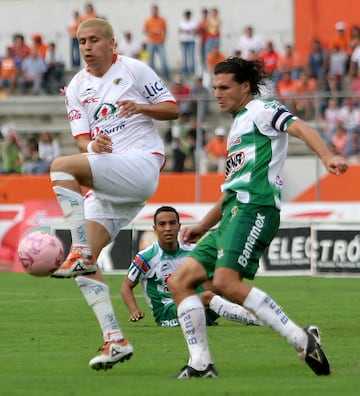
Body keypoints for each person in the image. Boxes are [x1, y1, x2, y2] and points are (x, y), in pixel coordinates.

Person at [167, 57, 348, 379]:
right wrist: (203, 225)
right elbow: (233, 188)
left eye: (225, 87)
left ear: (245, 86)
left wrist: (327, 155)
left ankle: (301, 338)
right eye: (214, 88)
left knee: (224, 283)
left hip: (256, 209)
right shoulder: (237, 124)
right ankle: (200, 363)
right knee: (180, 281)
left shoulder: (263, 110)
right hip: (234, 211)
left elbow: (301, 127)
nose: (217, 94)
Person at [49, 18, 179, 371]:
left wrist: (141, 108)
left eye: (94, 40)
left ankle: (76, 249)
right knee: (87, 263)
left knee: (60, 167)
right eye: (81, 42)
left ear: (111, 43)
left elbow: (173, 109)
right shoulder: (76, 86)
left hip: (141, 164)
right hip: (112, 177)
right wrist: (93, 144)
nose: (87, 47)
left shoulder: (134, 70)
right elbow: (81, 138)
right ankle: (114, 340)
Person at [121, 206, 262, 327]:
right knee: (206, 296)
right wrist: (134, 310)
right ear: (155, 228)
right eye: (162, 224)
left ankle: (257, 310)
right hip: (167, 313)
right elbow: (126, 286)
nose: (168, 228)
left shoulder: (191, 250)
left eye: (172, 223)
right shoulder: (145, 257)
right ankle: (258, 319)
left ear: (179, 226)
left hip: (193, 301)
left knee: (223, 281)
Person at [143, 4, 169, 79]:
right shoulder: (148, 20)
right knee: (151, 60)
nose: (155, 12)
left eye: (156, 10)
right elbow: (145, 31)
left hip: (160, 42)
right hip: (151, 42)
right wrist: (152, 32)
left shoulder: (162, 20)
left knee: (163, 59)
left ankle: (166, 75)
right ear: (151, 11)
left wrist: (163, 39)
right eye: (153, 10)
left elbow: (165, 30)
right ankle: (152, 76)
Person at [178, 9, 198, 77]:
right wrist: (185, 31)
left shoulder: (193, 22)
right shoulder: (182, 22)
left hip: (191, 40)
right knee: (185, 57)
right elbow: (179, 30)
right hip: (184, 40)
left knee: (191, 56)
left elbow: (196, 31)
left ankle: (192, 71)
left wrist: (189, 31)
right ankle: (185, 72)